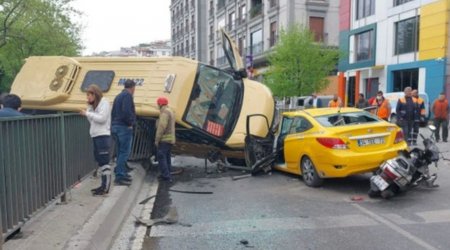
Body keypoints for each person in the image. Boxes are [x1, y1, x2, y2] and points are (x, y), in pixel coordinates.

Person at [80, 84, 112, 195]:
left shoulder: (104, 103)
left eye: (89, 95)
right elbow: (93, 121)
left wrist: (88, 113)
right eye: (87, 95)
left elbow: (102, 119)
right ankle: (103, 186)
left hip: (103, 135)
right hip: (95, 135)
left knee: (104, 161)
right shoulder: (92, 106)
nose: (88, 97)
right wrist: (89, 111)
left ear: (95, 94)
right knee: (100, 160)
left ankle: (106, 187)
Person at [111, 79, 136, 185]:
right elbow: (126, 111)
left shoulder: (118, 96)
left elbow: (113, 112)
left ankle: (121, 171)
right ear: (133, 87)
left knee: (119, 151)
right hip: (123, 127)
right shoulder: (128, 96)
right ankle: (120, 176)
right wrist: (130, 123)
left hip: (115, 126)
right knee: (124, 152)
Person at [154, 96, 176, 182]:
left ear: (160, 104)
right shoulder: (170, 111)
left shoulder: (165, 113)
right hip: (170, 140)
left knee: (161, 156)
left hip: (165, 139)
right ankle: (167, 174)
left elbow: (161, 127)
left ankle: (166, 176)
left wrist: (157, 139)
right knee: (167, 157)